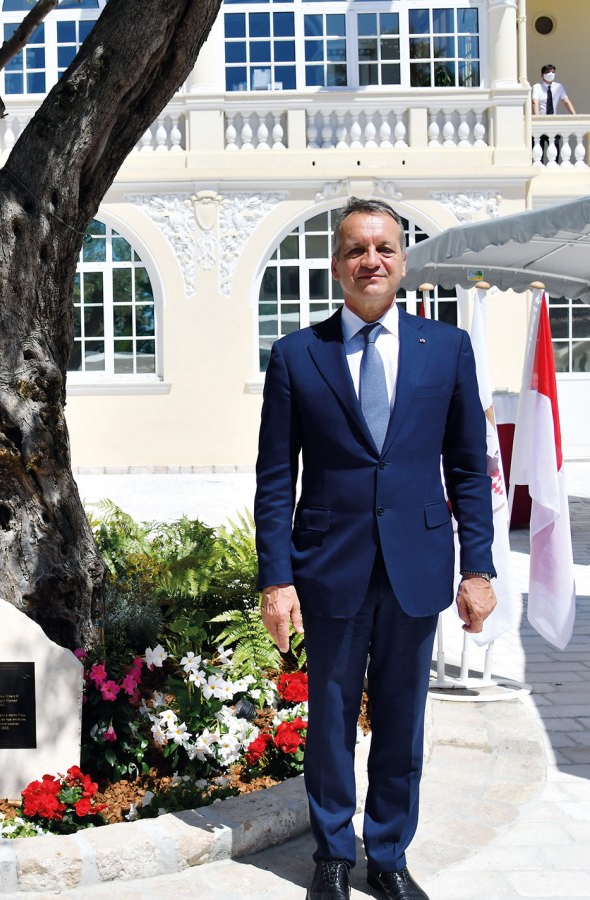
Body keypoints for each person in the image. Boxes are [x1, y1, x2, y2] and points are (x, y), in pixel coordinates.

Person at [254, 197, 497, 900]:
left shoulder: (445, 349)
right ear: (336, 266)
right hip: (329, 568)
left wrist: (477, 567)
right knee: (329, 720)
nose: (371, 261)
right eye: (357, 249)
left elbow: (469, 468)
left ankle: (387, 855)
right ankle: (332, 854)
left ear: (402, 261)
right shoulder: (299, 355)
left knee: (402, 719)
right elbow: (276, 479)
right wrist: (277, 579)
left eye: (384, 249)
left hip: (416, 565)